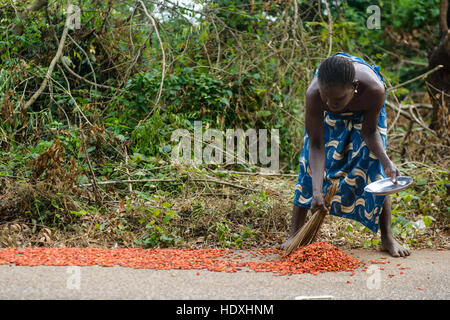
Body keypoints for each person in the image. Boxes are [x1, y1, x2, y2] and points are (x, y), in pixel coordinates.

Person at [281, 53, 410, 257]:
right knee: (308, 165)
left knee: (374, 165)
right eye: (327, 97)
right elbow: (316, 145)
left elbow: (368, 132)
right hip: (327, 119)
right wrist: (317, 192)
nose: (332, 104)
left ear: (355, 87)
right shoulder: (314, 94)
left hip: (364, 114)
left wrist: (386, 162)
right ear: (321, 88)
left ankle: (387, 237)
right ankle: (295, 234)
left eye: (338, 98)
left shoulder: (374, 91)